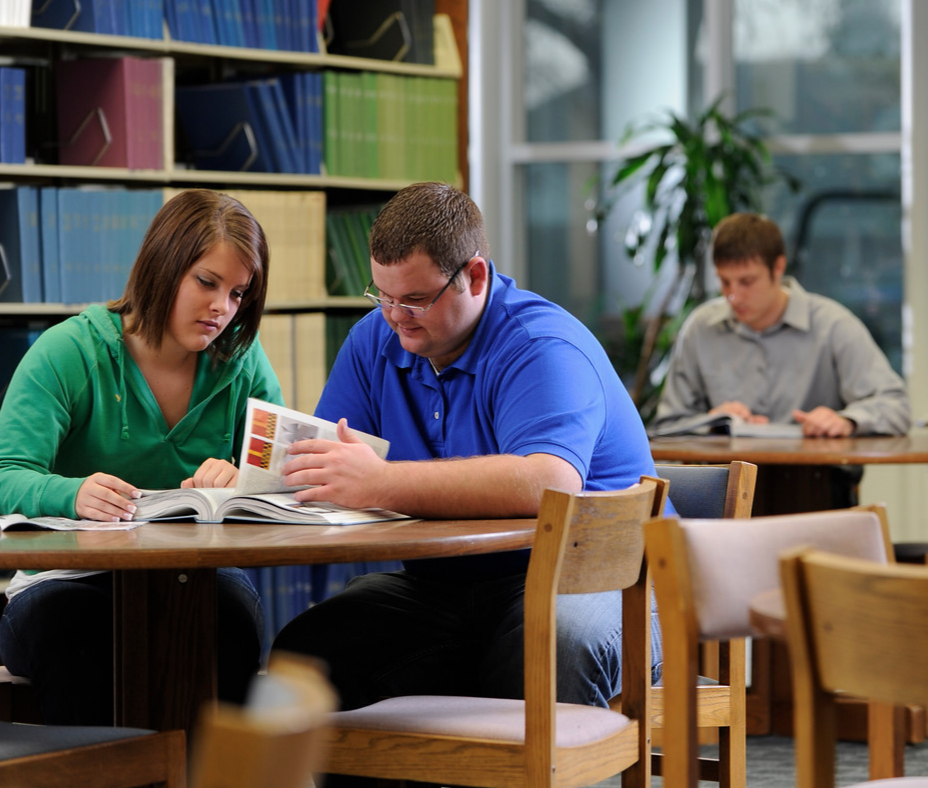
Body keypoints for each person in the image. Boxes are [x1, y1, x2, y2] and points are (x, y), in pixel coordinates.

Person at [270, 182, 658, 719]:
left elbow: (549, 481)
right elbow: (325, 461)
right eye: (381, 295)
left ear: (474, 276)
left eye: (415, 299)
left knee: (549, 643)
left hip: (599, 577)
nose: (395, 315)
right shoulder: (371, 342)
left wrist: (381, 482)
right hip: (450, 583)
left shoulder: (542, 347)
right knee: (309, 653)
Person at [0, 189, 279, 725]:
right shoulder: (69, 351)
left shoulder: (241, 359)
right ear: (162, 266)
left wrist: (242, 477)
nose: (221, 308)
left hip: (195, 578)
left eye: (238, 293)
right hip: (65, 580)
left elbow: (284, 467)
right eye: (206, 282)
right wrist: (71, 493)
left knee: (230, 624)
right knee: (76, 633)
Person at [650, 211, 910, 505]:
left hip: (815, 490)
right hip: (725, 495)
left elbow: (896, 406)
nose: (734, 296)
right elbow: (665, 428)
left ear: (778, 268)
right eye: (725, 282)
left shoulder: (833, 326)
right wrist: (712, 422)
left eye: (746, 282)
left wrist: (847, 420)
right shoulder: (700, 328)